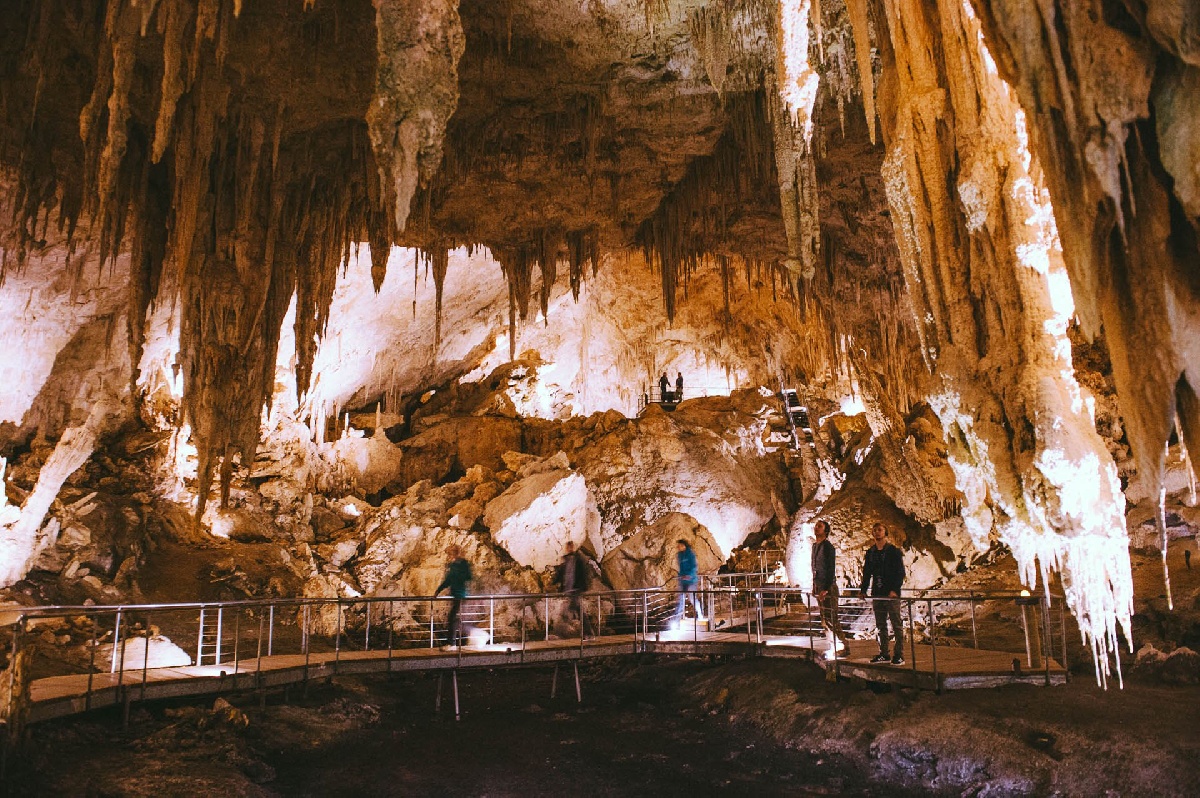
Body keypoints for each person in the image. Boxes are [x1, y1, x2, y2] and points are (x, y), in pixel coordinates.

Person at [860, 522, 906, 664]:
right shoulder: (871, 552)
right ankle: (884, 653)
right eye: (875, 530)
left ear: (885, 533)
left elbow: (900, 572)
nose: (877, 532)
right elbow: (867, 573)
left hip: (890, 593)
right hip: (877, 592)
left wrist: (894, 590)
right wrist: (863, 589)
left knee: (896, 624)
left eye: (880, 530)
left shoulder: (893, 551)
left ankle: (899, 655)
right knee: (880, 625)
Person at [811, 520, 848, 656]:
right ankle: (833, 645)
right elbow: (815, 568)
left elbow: (830, 568)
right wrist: (815, 586)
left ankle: (844, 646)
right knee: (825, 619)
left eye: (820, 526)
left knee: (832, 618)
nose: (816, 528)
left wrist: (825, 588)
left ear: (826, 530)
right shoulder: (815, 546)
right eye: (816, 526)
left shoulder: (828, 547)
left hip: (828, 588)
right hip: (819, 586)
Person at [435, 544, 472, 648]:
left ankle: (451, 643)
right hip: (456, 594)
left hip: (460, 594)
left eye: (450, 554)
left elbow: (468, 576)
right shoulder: (453, 565)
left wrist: (457, 575)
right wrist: (438, 590)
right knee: (454, 618)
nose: (449, 556)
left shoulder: (463, 563)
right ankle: (454, 642)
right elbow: (448, 580)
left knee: (452, 618)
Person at [555, 540, 593, 636]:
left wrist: (583, 586)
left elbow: (582, 574)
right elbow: (562, 573)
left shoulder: (578, 560)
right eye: (568, 547)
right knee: (575, 610)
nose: (569, 549)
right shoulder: (566, 560)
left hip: (575, 589)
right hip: (568, 590)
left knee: (576, 610)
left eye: (571, 547)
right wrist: (555, 582)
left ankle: (587, 633)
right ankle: (585, 633)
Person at [673, 539, 703, 622]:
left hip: (691, 580)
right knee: (681, 599)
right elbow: (681, 567)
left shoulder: (690, 554)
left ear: (683, 546)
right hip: (683, 580)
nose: (678, 547)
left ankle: (699, 614)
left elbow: (694, 566)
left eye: (679, 546)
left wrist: (689, 575)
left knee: (692, 598)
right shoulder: (679, 555)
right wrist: (680, 576)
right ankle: (678, 618)